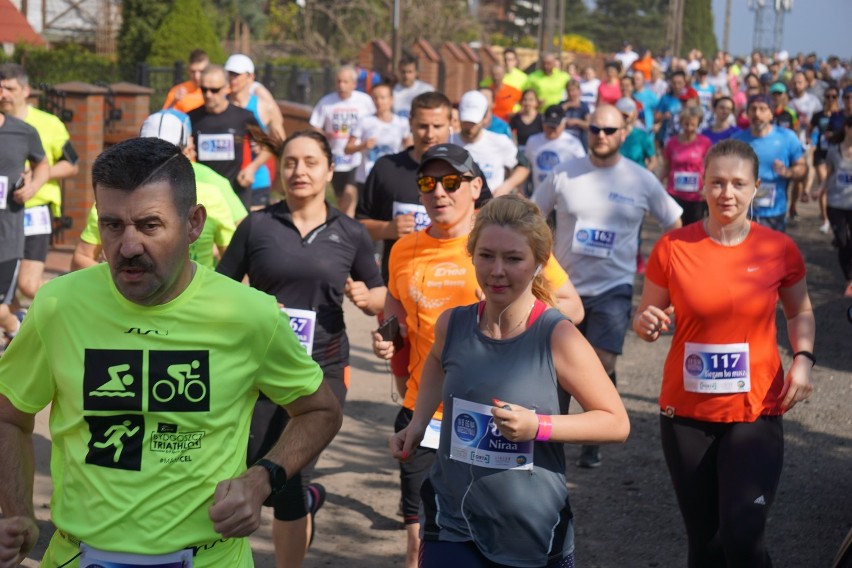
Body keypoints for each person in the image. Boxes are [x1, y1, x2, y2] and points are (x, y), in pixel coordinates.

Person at [0, 137, 342, 567]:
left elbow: (319, 410)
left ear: (193, 223)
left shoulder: (249, 314)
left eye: (149, 225)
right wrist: (18, 513)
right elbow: (9, 415)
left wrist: (261, 479)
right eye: (112, 225)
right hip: (77, 555)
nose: (128, 246)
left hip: (208, 558)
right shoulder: (58, 305)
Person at [388, 194, 629, 568]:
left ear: (539, 263)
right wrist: (419, 423)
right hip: (452, 520)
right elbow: (436, 362)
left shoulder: (557, 335)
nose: (497, 270)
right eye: (486, 256)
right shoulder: (453, 324)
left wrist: (539, 426)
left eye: (513, 259)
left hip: (531, 530)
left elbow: (616, 421)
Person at [373, 143, 583, 568]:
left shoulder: (506, 241)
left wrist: (517, 328)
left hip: (505, 431)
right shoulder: (404, 251)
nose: (438, 192)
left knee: (498, 531)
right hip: (429, 416)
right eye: (427, 183)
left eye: (450, 182)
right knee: (420, 541)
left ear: (475, 187)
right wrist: (390, 345)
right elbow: (407, 330)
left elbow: (571, 308)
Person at [633, 139, 815, 567]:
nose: (726, 194)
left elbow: (800, 310)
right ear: (702, 186)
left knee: (743, 535)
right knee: (707, 544)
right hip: (686, 414)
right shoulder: (674, 247)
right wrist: (647, 324)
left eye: (737, 184)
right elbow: (647, 316)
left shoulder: (779, 249)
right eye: (716, 183)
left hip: (754, 411)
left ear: (756, 189)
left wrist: (803, 360)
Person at [217, 130, 385, 567]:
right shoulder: (257, 224)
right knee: (256, 459)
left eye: (311, 162)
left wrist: (369, 301)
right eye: (290, 162)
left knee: (288, 475)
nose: (299, 171)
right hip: (261, 370)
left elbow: (381, 292)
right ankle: (311, 498)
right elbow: (219, 291)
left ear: (330, 170)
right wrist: (252, 305)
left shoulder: (350, 232)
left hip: (323, 365)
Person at [532, 105, 683, 468]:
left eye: (609, 130)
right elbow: (531, 217)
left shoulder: (640, 179)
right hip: (565, 288)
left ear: (624, 133)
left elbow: (675, 223)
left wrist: (668, 277)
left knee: (601, 358)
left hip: (614, 287)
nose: (601, 135)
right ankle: (560, 431)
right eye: (595, 129)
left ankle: (595, 428)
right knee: (556, 363)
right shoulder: (563, 174)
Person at [71, 110, 243, 272]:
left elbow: (233, 260)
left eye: (168, 155)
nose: (157, 163)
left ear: (188, 152)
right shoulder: (115, 199)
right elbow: (82, 257)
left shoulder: (214, 189)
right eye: (147, 154)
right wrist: (120, 278)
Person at [0, 63, 79, 312]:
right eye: (0, 88)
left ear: (25, 91)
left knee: (28, 285)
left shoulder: (48, 123)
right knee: (6, 286)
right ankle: (19, 327)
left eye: (10, 88)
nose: (4, 94)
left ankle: (71, 308)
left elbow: (72, 164)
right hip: (4, 213)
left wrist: (36, 178)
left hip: (34, 209)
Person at [0, 90, 49, 348]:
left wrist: (33, 186)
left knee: (9, 302)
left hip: (7, 234)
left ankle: (16, 327)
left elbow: (44, 164)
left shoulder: (23, 131)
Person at [189, 64, 272, 211]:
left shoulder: (243, 116)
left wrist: (252, 169)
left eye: (214, 90)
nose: (208, 95)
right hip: (205, 195)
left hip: (236, 191)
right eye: (204, 89)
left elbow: (268, 146)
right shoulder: (192, 118)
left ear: (226, 87)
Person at [310, 65, 376, 217]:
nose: (341, 85)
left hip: (358, 157)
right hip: (337, 157)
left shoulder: (364, 101)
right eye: (339, 81)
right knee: (341, 199)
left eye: (345, 82)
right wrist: (323, 137)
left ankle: (349, 228)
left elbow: (374, 122)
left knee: (349, 194)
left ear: (354, 84)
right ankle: (344, 224)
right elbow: (315, 125)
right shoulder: (326, 102)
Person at [733, 94, 806, 232]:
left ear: (771, 114)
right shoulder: (736, 140)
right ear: (747, 113)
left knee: (773, 253)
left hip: (774, 212)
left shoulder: (787, 137)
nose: (757, 113)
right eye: (753, 109)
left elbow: (802, 167)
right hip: (742, 212)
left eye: (762, 109)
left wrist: (788, 172)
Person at [225, 53, 286, 209]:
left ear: (250, 77)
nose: (233, 79)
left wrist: (254, 165)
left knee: (254, 229)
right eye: (230, 74)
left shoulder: (264, 107)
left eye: (237, 75)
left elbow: (280, 142)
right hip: (225, 181)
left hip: (256, 179)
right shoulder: (221, 104)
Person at [452, 90, 527, 196]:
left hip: (490, 207)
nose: (469, 128)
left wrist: (506, 186)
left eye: (473, 123)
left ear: (484, 118)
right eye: (466, 122)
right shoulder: (448, 142)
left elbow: (524, 166)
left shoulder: (499, 142)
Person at [815, 115, 852, 297]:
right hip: (836, 204)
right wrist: (820, 190)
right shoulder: (834, 151)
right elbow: (829, 174)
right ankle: (849, 279)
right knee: (843, 242)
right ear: (847, 128)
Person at [345, 82, 410, 187]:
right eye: (375, 98)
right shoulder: (364, 121)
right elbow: (347, 149)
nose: (379, 102)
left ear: (391, 99)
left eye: (382, 98)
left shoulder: (401, 123)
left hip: (392, 175)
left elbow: (410, 149)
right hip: (367, 177)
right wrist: (363, 146)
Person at [660, 106, 714, 226]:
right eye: (686, 124)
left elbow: (711, 168)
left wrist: (708, 188)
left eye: (693, 125)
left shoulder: (705, 143)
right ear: (681, 123)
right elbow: (666, 166)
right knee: (674, 229)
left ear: (698, 124)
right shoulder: (672, 143)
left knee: (693, 231)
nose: (689, 128)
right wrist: (657, 184)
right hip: (675, 194)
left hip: (697, 197)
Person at [524, 105, 586, 192]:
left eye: (554, 126)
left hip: (563, 197)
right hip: (539, 197)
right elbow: (525, 167)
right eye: (548, 125)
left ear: (563, 123)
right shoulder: (532, 141)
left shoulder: (573, 144)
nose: (551, 130)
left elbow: (582, 169)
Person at [809, 86, 841, 233]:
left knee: (835, 186)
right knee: (824, 183)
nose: (830, 99)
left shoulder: (842, 116)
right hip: (821, 154)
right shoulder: (818, 115)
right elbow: (809, 130)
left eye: (833, 96)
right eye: (828, 96)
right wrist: (811, 142)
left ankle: (836, 217)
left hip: (837, 155)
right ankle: (825, 219)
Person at [163, 49, 209, 113]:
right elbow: (164, 117)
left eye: (201, 71)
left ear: (209, 69)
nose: (197, 76)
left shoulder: (219, 89)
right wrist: (174, 102)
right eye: (193, 72)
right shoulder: (176, 91)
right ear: (188, 70)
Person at [617, 97, 656, 170]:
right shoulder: (611, 135)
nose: (625, 118)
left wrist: (643, 175)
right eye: (622, 115)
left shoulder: (641, 135)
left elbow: (653, 160)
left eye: (627, 115)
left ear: (634, 114)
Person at [560, 80, 590, 150]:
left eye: (573, 90)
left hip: (578, 140)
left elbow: (588, 125)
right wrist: (566, 106)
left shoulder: (583, 106)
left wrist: (576, 122)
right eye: (569, 91)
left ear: (579, 91)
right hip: (563, 141)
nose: (571, 93)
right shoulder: (562, 105)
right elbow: (555, 117)